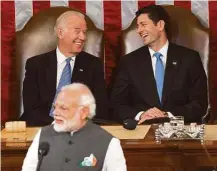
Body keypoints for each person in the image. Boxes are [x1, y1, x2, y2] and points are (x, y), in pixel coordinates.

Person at [111, 5, 208, 124]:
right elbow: (116, 103)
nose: (139, 30)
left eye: (143, 24)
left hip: (180, 132)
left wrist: (167, 115)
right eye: (137, 26)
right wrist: (141, 114)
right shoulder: (129, 62)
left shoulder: (189, 58)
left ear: (160, 25)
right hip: (143, 131)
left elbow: (200, 103)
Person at [20, 11, 108, 126]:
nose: (82, 37)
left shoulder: (93, 64)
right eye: (77, 31)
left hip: (78, 130)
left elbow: (100, 106)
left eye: (84, 32)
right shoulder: (36, 64)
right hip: (41, 127)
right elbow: (31, 107)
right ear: (60, 33)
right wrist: (57, 124)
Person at [22, 83, 127, 171]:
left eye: (63, 108)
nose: (55, 113)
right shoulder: (43, 135)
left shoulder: (109, 143)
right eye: (55, 107)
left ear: (83, 112)